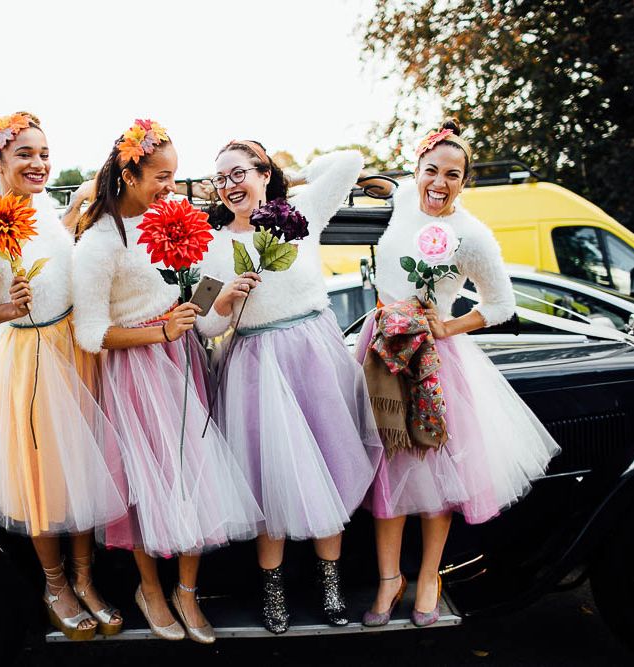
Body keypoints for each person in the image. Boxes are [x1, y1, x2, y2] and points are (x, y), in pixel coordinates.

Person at [358, 119, 560, 628]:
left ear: (464, 181)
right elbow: (384, 183)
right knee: (386, 462)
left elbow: (501, 305)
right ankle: (388, 578)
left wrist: (447, 328)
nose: (439, 183)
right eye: (431, 170)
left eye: (452, 174)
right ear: (417, 171)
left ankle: (430, 575)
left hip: (434, 356)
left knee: (432, 468)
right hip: (381, 344)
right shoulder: (406, 199)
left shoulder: (471, 234)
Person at [72, 119, 262, 644]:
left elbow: (191, 308)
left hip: (182, 364)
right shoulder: (98, 244)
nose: (171, 189)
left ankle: (187, 591)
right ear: (129, 174)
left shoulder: (171, 220)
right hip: (135, 374)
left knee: (196, 476)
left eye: (175, 177)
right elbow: (91, 334)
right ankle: (151, 589)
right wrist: (159, 332)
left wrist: (219, 300)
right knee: (148, 483)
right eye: (162, 176)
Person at [0, 112, 126, 640]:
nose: (39, 163)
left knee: (84, 471)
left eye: (44, 153)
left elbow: (59, 256)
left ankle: (87, 579)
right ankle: (56, 585)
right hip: (29, 361)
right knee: (46, 479)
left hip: (77, 352)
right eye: (25, 153)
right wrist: (6, 308)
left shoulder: (47, 212)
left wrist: (73, 217)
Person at [196, 140, 383, 633]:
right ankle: (273, 594)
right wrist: (224, 303)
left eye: (238, 173)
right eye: (220, 179)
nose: (229, 185)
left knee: (331, 468)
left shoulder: (298, 214)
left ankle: (331, 589)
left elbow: (348, 164)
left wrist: (289, 180)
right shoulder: (215, 245)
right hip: (256, 366)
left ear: (262, 173)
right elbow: (204, 328)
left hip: (315, 357)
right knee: (268, 481)